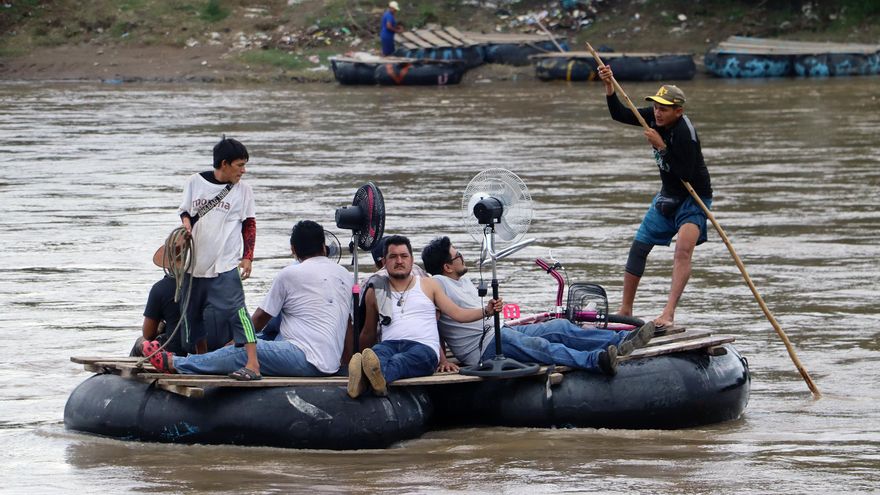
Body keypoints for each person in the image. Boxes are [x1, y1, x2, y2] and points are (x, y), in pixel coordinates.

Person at [144, 220, 354, 379]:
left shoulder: (290, 274)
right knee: (262, 337)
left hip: (307, 358)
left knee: (247, 349)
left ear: (293, 250)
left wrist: (236, 343)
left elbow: (261, 317)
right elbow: (348, 326)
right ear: (323, 246)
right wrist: (344, 365)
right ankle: (208, 358)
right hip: (328, 360)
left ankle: (176, 363)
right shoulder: (345, 275)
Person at [421, 236, 656, 376]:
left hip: (500, 331)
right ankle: (596, 361)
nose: (462, 257)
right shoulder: (436, 283)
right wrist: (442, 359)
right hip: (483, 347)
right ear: (447, 267)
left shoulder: (463, 280)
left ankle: (620, 341)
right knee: (540, 345)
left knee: (560, 327)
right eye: (457, 255)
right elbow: (434, 322)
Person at [598, 65, 713, 329]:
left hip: (694, 199)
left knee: (683, 251)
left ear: (678, 111)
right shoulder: (654, 117)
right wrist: (608, 86)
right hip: (667, 196)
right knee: (639, 247)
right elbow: (620, 114)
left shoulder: (686, 135)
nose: (657, 113)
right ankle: (625, 310)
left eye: (664, 109)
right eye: (656, 107)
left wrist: (661, 146)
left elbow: (684, 172)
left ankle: (668, 313)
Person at [348, 235, 502, 398]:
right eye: (393, 257)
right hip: (390, 345)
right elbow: (369, 332)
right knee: (378, 353)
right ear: (385, 262)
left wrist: (486, 310)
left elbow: (458, 314)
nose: (399, 261)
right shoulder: (376, 289)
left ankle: (369, 381)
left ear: (412, 260)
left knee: (401, 361)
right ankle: (370, 378)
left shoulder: (429, 285)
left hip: (423, 348)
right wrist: (355, 357)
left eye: (404, 256)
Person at [177, 136, 259, 380]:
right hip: (194, 264)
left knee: (238, 313)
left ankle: (253, 364)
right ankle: (200, 359)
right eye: (239, 165)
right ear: (224, 164)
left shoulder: (243, 190)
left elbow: (249, 223)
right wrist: (185, 228)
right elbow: (185, 213)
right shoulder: (195, 182)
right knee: (190, 315)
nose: (243, 171)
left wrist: (248, 257)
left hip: (224, 264)